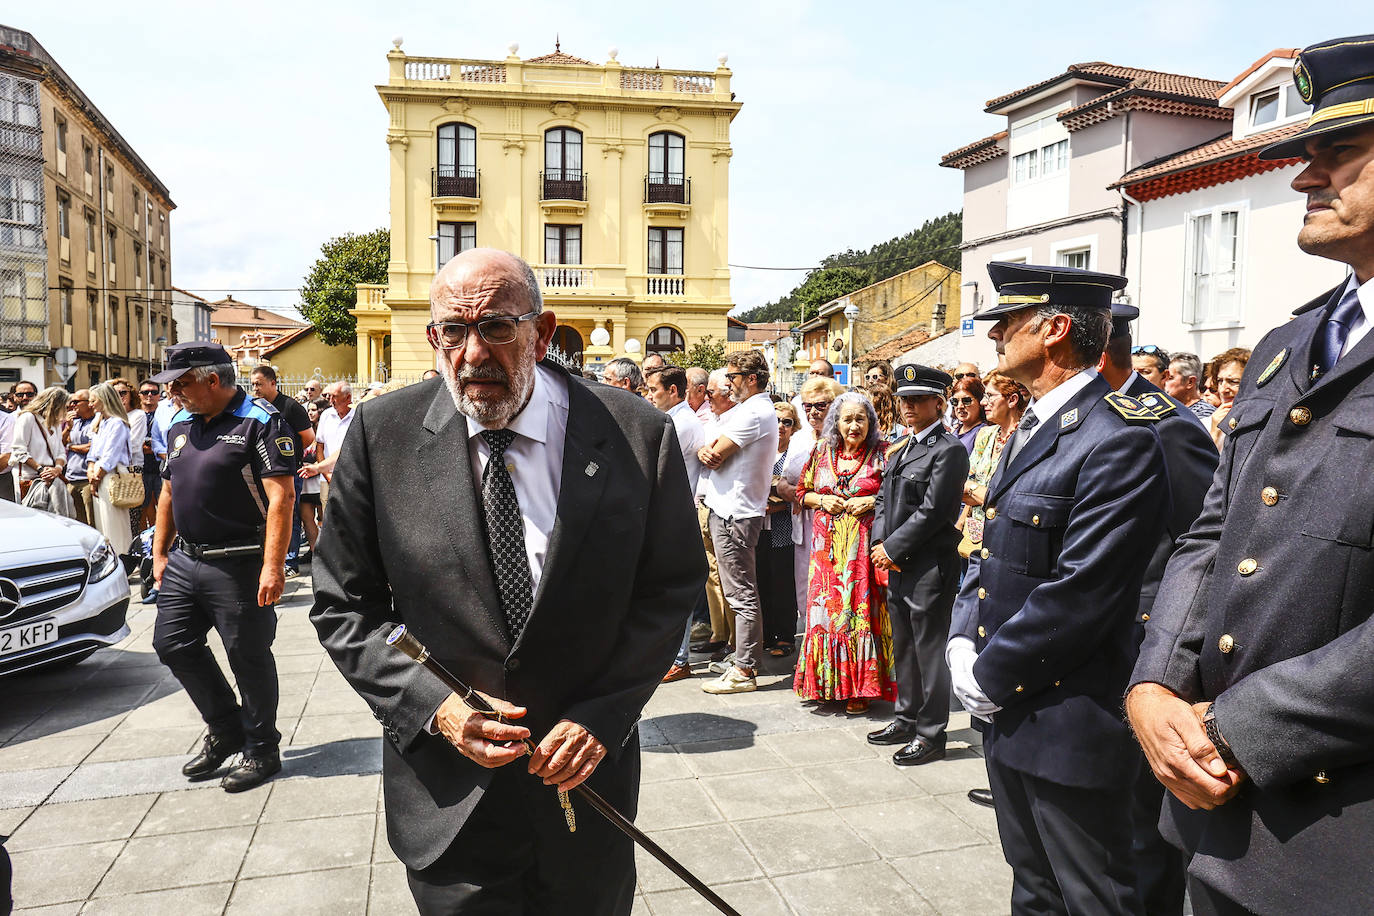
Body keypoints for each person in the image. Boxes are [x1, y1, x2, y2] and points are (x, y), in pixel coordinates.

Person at [310, 248, 702, 914]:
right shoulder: (383, 435)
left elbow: (668, 591)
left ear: (542, 334)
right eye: (452, 333)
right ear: (433, 339)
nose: (471, 355)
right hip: (448, 796)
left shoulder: (637, 434)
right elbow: (345, 607)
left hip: (584, 788)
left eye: (496, 327)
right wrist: (434, 708)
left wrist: (604, 716)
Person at [1127, 38, 1374, 914]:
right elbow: (1214, 532)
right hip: (1222, 823)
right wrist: (1155, 684)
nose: (1306, 179)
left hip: (1343, 841)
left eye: (1337, 154)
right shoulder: (1286, 348)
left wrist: (1238, 728)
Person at [948, 262, 1168, 915]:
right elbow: (988, 549)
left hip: (1070, 715)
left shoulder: (1116, 438)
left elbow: (1084, 590)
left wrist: (989, 673)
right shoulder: (1034, 428)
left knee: (1093, 895)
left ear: (1055, 330)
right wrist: (963, 639)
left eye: (1008, 321)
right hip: (1011, 711)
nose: (994, 334)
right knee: (1033, 886)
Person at [1100, 306, 1221, 915]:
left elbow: (1205, 540)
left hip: (1140, 646)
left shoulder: (1160, 424)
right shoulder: (1075, 418)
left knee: (1139, 834)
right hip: (1091, 647)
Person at [149, 343, 297, 793]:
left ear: (212, 380)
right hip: (185, 560)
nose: (173, 393)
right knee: (172, 644)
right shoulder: (179, 424)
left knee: (247, 658)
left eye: (181, 383)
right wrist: (159, 554)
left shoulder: (261, 421)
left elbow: (282, 498)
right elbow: (169, 494)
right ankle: (226, 727)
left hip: (239, 564)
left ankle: (261, 748)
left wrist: (273, 566)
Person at [868, 365, 967, 762]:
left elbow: (934, 512)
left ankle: (930, 733)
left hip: (927, 565)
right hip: (897, 563)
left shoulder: (949, 450)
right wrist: (880, 542)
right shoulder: (903, 448)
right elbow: (881, 500)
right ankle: (906, 716)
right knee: (905, 647)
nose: (908, 406)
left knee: (929, 652)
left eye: (917, 399)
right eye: (904, 399)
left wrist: (891, 548)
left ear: (938, 404)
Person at [793, 390, 895, 714]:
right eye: (847, 419)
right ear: (836, 422)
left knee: (857, 616)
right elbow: (800, 493)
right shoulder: (822, 450)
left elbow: (897, 495)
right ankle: (825, 685)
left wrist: (872, 501)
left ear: (871, 422)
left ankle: (859, 688)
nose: (854, 426)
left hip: (862, 552)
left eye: (860, 419)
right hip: (826, 554)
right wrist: (822, 500)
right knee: (824, 617)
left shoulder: (882, 453)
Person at [698, 349, 779, 695]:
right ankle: (742, 659)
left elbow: (715, 452)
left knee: (740, 593)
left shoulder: (756, 412)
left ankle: (745, 669)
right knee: (738, 591)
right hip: (729, 509)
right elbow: (709, 448)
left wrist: (709, 452)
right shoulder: (750, 410)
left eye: (732, 378)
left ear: (750, 378)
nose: (728, 385)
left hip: (735, 512)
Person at [644, 364, 705, 683]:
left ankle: (680, 659)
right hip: (673, 512)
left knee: (674, 590)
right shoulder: (674, 420)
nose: (649, 395)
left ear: (673, 391)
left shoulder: (680, 424)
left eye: (654, 389)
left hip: (679, 514)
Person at [251, 365, 316, 579]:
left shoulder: (290, 406)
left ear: (272, 383)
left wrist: (290, 456)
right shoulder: (255, 407)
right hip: (262, 472)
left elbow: (307, 437)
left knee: (290, 516)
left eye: (259, 384)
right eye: (252, 384)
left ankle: (290, 561)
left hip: (289, 471)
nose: (255, 388)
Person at [691, 368, 737, 660]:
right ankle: (719, 633)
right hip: (705, 500)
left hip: (726, 505)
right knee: (711, 574)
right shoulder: (712, 420)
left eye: (711, 392)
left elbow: (715, 455)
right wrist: (702, 453)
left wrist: (706, 453)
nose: (707, 397)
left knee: (730, 577)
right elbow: (702, 452)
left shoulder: (737, 418)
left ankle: (734, 638)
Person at [759, 400, 801, 658]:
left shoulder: (793, 456)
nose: (781, 427)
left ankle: (785, 637)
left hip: (783, 527)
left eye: (787, 422)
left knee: (783, 584)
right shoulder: (761, 451)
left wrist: (780, 506)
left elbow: (800, 493)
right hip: (758, 527)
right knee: (761, 580)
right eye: (777, 421)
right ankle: (766, 633)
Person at [86, 383, 136, 556]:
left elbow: (110, 456)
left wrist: (96, 476)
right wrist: (91, 470)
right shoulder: (101, 424)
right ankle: (112, 556)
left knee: (114, 522)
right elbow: (93, 453)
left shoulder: (117, 424)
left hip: (111, 474)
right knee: (103, 521)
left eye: (93, 400)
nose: (90, 404)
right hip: (100, 475)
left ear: (103, 400)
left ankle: (122, 557)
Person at [10, 387, 68, 505]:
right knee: (32, 516)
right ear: (55, 405)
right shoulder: (27, 418)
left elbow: (61, 452)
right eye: (64, 406)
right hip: (29, 478)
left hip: (51, 478)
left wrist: (57, 469)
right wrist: (41, 469)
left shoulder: (55, 423)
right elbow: (19, 450)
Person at [302, 382, 354, 484]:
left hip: (351, 478)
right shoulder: (326, 415)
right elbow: (320, 447)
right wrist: (327, 475)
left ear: (348, 397)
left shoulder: (357, 416)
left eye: (335, 397)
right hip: (327, 478)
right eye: (329, 396)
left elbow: (348, 448)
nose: (330, 400)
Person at [1206, 347, 1250, 449]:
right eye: (1220, 381)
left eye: (1233, 381)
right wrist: (1214, 434)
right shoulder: (1205, 423)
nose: (1223, 390)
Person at [298, 400, 325, 554]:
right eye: (309, 410)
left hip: (321, 480)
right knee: (307, 519)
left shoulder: (326, 428)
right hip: (305, 481)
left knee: (324, 519)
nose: (310, 413)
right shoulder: (303, 430)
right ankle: (315, 554)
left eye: (314, 409)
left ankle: (327, 552)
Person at [136, 381, 163, 530]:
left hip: (161, 467)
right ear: (139, 395)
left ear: (159, 395)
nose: (149, 395)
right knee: (141, 509)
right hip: (141, 468)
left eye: (153, 392)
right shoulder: (134, 415)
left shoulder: (164, 413)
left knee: (166, 506)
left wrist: (156, 448)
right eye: (145, 392)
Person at [1164, 352, 1216, 422]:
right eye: (1163, 377)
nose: (1164, 382)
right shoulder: (1165, 409)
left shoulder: (1205, 414)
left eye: (1170, 378)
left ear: (1190, 382)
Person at [949, 376, 987, 453]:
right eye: (955, 401)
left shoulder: (984, 433)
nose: (960, 406)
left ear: (980, 401)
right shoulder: (954, 432)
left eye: (966, 401)